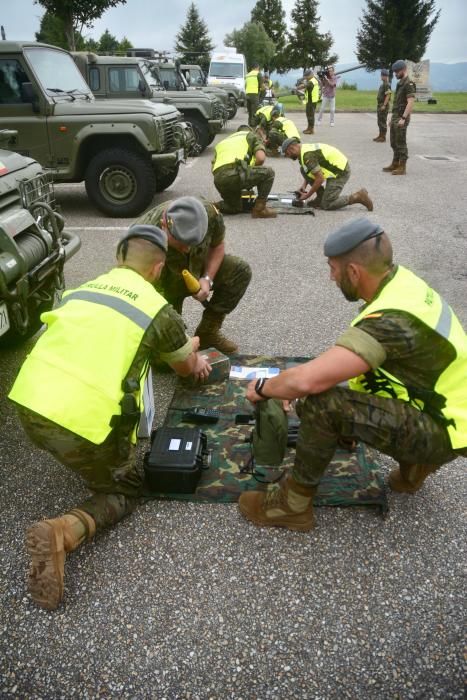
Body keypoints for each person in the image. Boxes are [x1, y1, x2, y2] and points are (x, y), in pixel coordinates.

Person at [8, 224, 212, 609]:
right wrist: (195, 354)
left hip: (28, 407)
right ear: (157, 270)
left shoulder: (80, 291)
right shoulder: (156, 308)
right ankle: (63, 532)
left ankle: (79, 459)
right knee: (127, 487)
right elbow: (186, 367)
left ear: (118, 257)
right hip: (79, 426)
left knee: (75, 439)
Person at [238, 218, 467, 531]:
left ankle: (292, 506)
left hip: (443, 431)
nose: (331, 278)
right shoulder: (402, 285)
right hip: (445, 415)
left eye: (333, 269)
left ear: (354, 272)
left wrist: (265, 388)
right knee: (315, 395)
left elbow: (309, 380)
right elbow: (364, 367)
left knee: (320, 403)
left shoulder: (391, 319)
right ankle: (417, 465)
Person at [135, 196, 252, 354]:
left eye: (192, 243)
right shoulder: (141, 238)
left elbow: (217, 245)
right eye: (181, 244)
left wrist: (207, 279)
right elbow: (140, 294)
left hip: (196, 268)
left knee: (240, 271)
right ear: (164, 226)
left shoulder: (210, 214)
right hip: (163, 287)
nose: (187, 249)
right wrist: (179, 339)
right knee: (169, 360)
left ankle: (207, 333)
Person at [281, 137, 373, 211]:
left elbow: (320, 179)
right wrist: (303, 186)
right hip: (334, 166)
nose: (287, 156)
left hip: (340, 171)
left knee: (327, 204)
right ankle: (320, 197)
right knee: (303, 169)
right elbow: (308, 169)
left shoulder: (307, 156)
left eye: (287, 154)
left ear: (291, 148)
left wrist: (308, 195)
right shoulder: (302, 150)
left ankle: (358, 196)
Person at [212, 126, 277, 219]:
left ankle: (211, 207)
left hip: (218, 179)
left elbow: (213, 168)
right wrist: (250, 177)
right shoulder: (251, 136)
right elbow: (261, 158)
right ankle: (260, 210)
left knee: (234, 207)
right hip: (234, 174)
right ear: (250, 131)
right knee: (269, 173)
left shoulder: (223, 142)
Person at [383, 59, 416, 175]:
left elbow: (410, 102)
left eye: (397, 72)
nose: (395, 74)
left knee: (401, 142)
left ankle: (402, 167)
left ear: (403, 70)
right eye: (394, 72)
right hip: (396, 116)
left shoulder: (409, 83)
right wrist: (391, 117)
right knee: (393, 142)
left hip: (402, 117)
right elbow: (397, 102)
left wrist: (403, 118)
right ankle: (395, 163)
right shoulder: (400, 83)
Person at [298, 68, 320, 134]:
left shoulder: (311, 82)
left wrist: (298, 87)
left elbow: (304, 86)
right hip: (312, 100)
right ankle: (309, 127)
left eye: (306, 76)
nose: (306, 78)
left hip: (311, 101)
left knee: (310, 115)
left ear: (310, 75)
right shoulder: (314, 79)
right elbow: (308, 89)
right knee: (309, 114)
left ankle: (311, 129)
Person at [373, 68, 391, 142]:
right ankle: (380, 135)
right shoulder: (383, 84)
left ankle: (383, 137)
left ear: (385, 76)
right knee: (379, 121)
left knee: (382, 121)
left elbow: (388, 95)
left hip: (383, 105)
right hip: (380, 105)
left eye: (382, 75)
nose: (381, 77)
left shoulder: (387, 84)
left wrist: (384, 105)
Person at [245, 62, 262, 127]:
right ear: (257, 67)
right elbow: (262, 86)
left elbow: (245, 85)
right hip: (254, 94)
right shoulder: (258, 74)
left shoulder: (247, 75)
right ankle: (253, 125)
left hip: (247, 94)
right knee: (255, 110)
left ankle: (249, 124)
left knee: (249, 110)